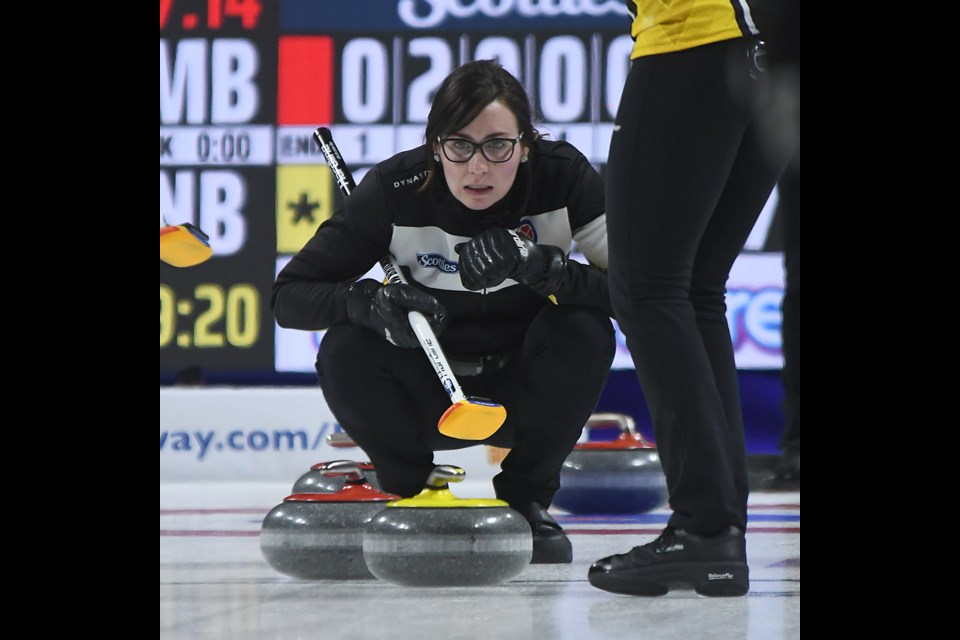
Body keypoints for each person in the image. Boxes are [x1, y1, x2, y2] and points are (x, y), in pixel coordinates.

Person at [272, 59, 615, 564]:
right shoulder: (394, 191)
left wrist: (549, 270)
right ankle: (410, 490)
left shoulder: (562, 178)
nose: (478, 166)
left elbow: (641, 293)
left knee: (585, 328)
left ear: (526, 146)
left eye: (498, 145)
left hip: (522, 395)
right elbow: (288, 297)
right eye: (459, 145)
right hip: (425, 393)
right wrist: (367, 302)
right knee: (346, 343)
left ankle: (527, 501)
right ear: (436, 147)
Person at [588, 2, 799, 596]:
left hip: (692, 35)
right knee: (694, 288)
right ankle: (718, 530)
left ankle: (705, 527)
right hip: (765, 53)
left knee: (648, 287)